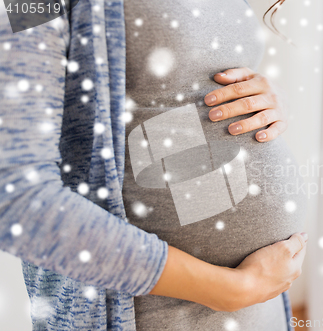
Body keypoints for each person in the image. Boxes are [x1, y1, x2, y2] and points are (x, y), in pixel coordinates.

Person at [0, 0, 306, 330]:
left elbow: (177, 98)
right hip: (151, 315)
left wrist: (272, 98)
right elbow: (17, 200)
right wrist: (226, 288)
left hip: (260, 307)